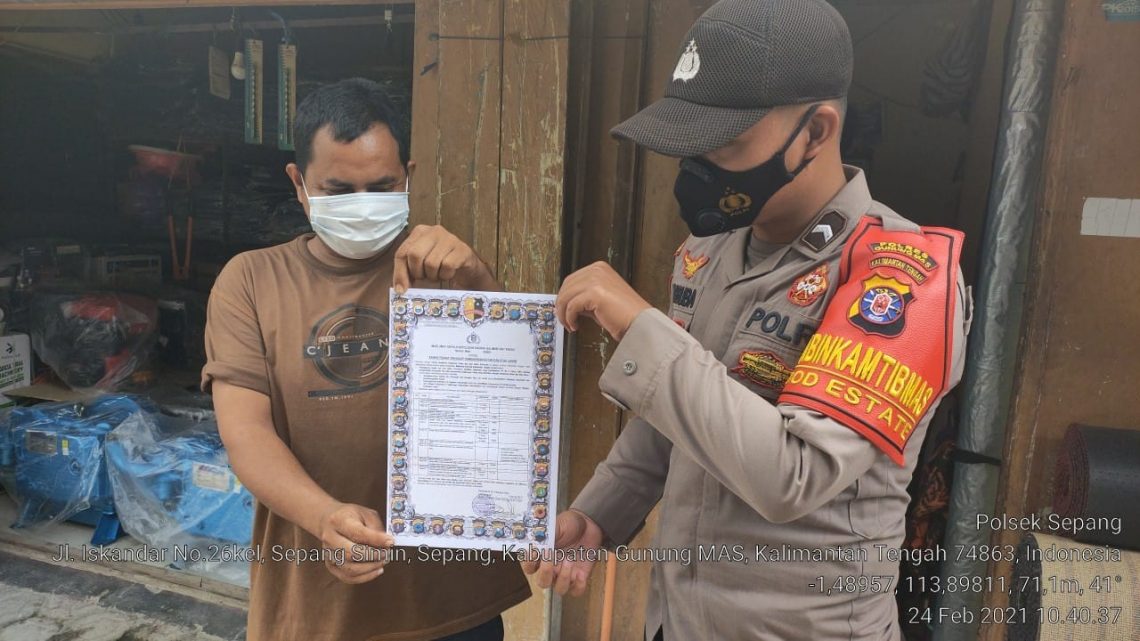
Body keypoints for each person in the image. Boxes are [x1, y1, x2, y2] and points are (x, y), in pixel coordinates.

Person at [524, 1, 973, 639]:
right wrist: (598, 517)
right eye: (690, 143)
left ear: (816, 132)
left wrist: (641, 328)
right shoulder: (710, 253)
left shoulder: (900, 277)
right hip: (677, 622)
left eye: (725, 144)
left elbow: (795, 474)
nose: (699, 167)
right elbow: (672, 422)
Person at [203, 78, 530, 641]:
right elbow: (247, 434)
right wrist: (324, 516)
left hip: (454, 599)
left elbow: (510, 396)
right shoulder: (251, 281)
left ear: (409, 176)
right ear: (299, 183)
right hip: (318, 603)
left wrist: (479, 281)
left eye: (381, 186)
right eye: (338, 188)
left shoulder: (444, 270)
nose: (361, 205)